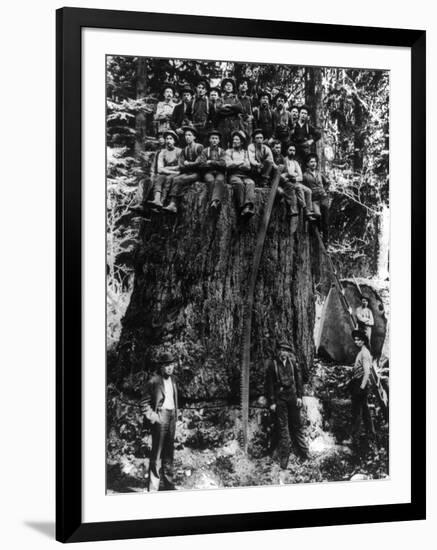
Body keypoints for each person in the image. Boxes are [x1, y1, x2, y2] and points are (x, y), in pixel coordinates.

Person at [265, 341, 310, 472]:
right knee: (283, 428)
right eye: (282, 350)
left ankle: (304, 452)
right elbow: (269, 385)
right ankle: (285, 456)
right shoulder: (272, 365)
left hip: (292, 397)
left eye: (286, 350)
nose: (284, 353)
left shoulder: (292, 363)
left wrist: (300, 397)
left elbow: (298, 380)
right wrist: (272, 402)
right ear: (278, 351)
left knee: (297, 425)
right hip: (280, 399)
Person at [141, 351, 179, 492]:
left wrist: (176, 414)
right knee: (157, 452)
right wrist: (153, 417)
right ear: (161, 367)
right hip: (160, 416)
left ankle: (169, 484)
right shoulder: (154, 381)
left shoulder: (174, 380)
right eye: (167, 365)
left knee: (169, 452)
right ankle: (153, 487)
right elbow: (144, 403)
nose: (170, 368)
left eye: (172, 365)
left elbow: (174, 398)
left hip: (172, 417)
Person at [344, 330, 376, 445]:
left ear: (364, 340)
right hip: (359, 382)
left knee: (356, 412)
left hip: (361, 384)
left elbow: (367, 372)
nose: (356, 342)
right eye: (356, 339)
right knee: (366, 412)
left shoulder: (364, 353)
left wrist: (361, 388)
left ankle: (354, 438)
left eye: (359, 340)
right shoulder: (362, 352)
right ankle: (371, 435)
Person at [162, 125, 203, 214]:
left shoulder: (199, 147)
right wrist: (187, 165)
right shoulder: (184, 150)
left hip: (198, 173)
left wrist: (189, 164)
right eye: (186, 135)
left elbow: (200, 162)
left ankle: (174, 203)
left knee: (180, 179)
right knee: (175, 179)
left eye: (189, 135)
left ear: (194, 137)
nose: (187, 137)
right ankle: (172, 204)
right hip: (188, 172)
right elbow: (181, 164)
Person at [148, 130, 181, 210]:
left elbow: (180, 166)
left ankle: (162, 202)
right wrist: (172, 170)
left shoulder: (179, 151)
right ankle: (157, 199)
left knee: (168, 179)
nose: (168, 141)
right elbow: (159, 169)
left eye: (170, 139)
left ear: (174, 141)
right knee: (159, 178)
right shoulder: (162, 152)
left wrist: (167, 168)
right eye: (167, 139)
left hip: (176, 174)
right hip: (169, 173)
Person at [225, 130, 255, 218]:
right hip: (233, 175)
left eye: (237, 140)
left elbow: (248, 166)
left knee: (251, 183)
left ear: (242, 142)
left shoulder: (245, 152)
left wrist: (236, 163)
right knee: (239, 184)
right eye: (234, 139)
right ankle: (241, 207)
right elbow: (228, 164)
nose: (234, 141)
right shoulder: (229, 151)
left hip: (245, 175)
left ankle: (247, 206)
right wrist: (240, 163)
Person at [281, 143, 315, 220]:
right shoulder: (284, 160)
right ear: (287, 151)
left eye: (294, 150)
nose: (292, 152)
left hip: (294, 181)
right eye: (290, 150)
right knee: (299, 187)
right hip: (287, 182)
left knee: (308, 190)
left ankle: (309, 211)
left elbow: (301, 177)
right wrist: (295, 174)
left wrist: (295, 177)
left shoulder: (295, 162)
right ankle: (304, 207)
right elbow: (289, 173)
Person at [302, 153, 330, 243]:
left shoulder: (319, 173)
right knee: (317, 215)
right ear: (307, 164)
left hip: (323, 197)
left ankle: (326, 239)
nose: (313, 163)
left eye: (314, 162)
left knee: (325, 215)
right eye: (311, 162)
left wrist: (324, 190)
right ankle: (317, 236)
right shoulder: (305, 175)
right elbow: (303, 187)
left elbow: (327, 183)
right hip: (314, 198)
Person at [199, 129, 227, 212]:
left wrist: (211, 162)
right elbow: (202, 164)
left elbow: (223, 163)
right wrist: (216, 164)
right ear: (209, 140)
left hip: (219, 172)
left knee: (220, 180)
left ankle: (214, 202)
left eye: (216, 138)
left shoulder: (222, 151)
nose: (214, 140)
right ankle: (215, 202)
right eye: (212, 138)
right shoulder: (205, 151)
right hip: (208, 172)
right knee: (210, 180)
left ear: (219, 140)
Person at [216, 78, 243, 148]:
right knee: (223, 144)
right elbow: (219, 111)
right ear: (224, 87)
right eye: (226, 85)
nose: (228, 87)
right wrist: (233, 111)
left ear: (233, 88)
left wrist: (229, 106)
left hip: (234, 125)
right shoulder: (220, 99)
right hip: (223, 125)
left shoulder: (235, 99)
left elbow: (240, 108)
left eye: (230, 85)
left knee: (233, 143)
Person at [188, 80, 210, 145]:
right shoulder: (192, 102)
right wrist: (189, 122)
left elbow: (212, 117)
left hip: (205, 130)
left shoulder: (209, 103)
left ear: (206, 91)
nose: (201, 90)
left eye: (203, 88)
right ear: (196, 89)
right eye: (199, 88)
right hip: (194, 129)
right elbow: (186, 115)